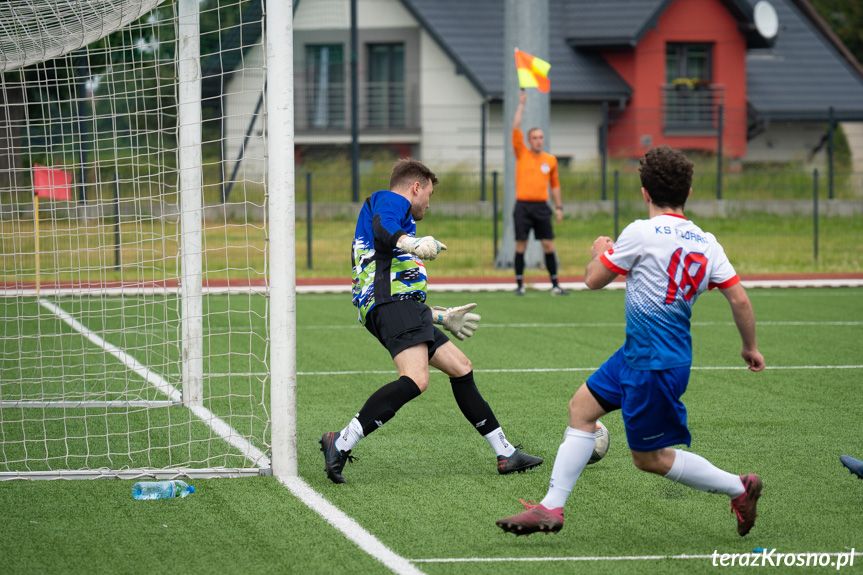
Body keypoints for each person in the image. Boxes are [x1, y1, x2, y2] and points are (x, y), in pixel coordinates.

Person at [496, 145, 766, 537]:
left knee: (649, 459)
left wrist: (599, 252)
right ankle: (551, 507)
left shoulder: (641, 232)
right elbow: (739, 298)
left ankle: (739, 488)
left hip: (652, 364)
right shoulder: (707, 242)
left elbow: (593, 280)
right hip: (643, 356)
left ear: (644, 192)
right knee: (581, 408)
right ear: (688, 194)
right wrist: (749, 347)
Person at [319, 158, 543, 484]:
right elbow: (383, 230)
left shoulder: (401, 219)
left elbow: (398, 280)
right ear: (416, 187)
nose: (429, 203)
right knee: (415, 379)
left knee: (460, 367)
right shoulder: (389, 200)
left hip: (398, 305)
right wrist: (412, 243)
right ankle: (339, 442)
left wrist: (441, 316)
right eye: (429, 195)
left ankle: (505, 453)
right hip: (390, 304)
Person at [511, 89, 567, 296]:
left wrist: (559, 207)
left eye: (541, 137)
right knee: (521, 245)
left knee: (548, 244)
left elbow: (555, 185)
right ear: (529, 139)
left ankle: (555, 284)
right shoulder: (522, 152)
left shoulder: (550, 160)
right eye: (534, 137)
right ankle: (519, 285)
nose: (538, 140)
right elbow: (515, 126)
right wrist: (521, 104)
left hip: (542, 207)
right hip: (523, 206)